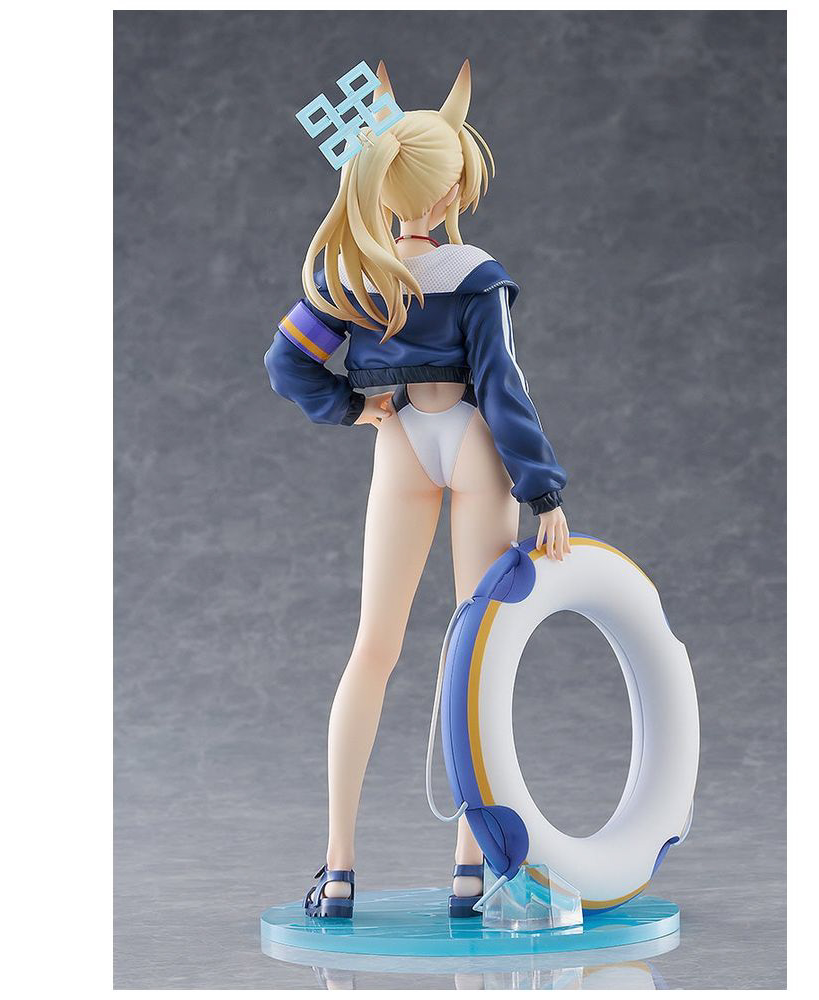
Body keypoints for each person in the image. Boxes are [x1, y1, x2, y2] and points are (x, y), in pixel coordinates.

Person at [266, 60, 570, 919]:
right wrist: (545, 491)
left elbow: (285, 362)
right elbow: (503, 389)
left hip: (399, 443)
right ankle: (472, 867)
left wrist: (349, 405)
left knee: (374, 648)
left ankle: (338, 868)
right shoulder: (475, 275)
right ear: (449, 192)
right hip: (470, 444)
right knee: (475, 651)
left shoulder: (354, 273)